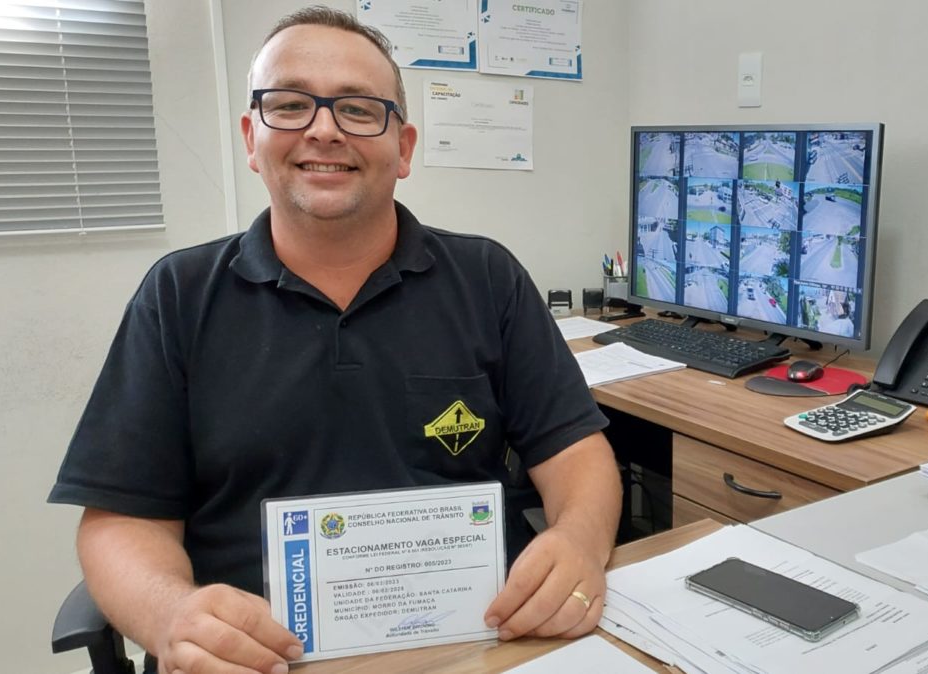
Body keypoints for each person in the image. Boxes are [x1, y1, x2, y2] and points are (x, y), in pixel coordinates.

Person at [47, 7, 621, 674]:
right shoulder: (178, 294)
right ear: (250, 136)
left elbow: (579, 454)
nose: (323, 129)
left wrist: (580, 541)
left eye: (357, 109)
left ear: (403, 148)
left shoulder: (487, 277)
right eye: (289, 104)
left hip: (475, 648)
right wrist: (171, 614)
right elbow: (121, 521)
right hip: (257, 662)